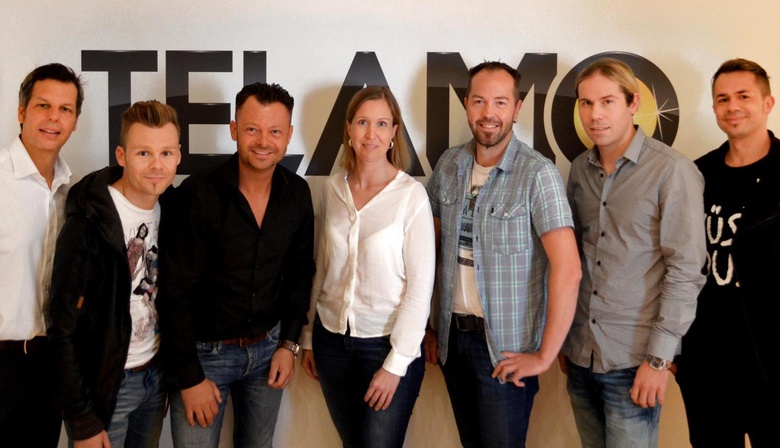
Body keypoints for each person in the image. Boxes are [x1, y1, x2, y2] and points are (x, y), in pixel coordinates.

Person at [426, 61, 581, 447]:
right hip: (452, 341)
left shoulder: (537, 174)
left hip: (504, 351)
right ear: (466, 104)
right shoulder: (448, 165)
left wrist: (545, 356)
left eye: (500, 102)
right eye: (479, 101)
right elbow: (428, 251)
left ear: (517, 108)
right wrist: (430, 326)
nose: (488, 113)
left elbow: (568, 268)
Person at [157, 82, 315, 448]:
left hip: (269, 350)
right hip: (203, 356)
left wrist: (289, 344)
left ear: (289, 135)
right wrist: (189, 376)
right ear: (234, 130)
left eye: (275, 131)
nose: (264, 142)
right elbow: (175, 292)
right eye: (252, 129)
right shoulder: (198, 193)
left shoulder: (297, 193)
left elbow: (300, 273)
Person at [561, 57, 706, 448]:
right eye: (586, 103)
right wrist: (566, 339)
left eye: (607, 101)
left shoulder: (671, 170)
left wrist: (659, 360)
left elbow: (685, 271)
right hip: (581, 354)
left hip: (634, 360)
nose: (595, 114)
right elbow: (573, 260)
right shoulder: (579, 170)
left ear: (633, 103)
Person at [299, 86, 435, 448]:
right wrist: (309, 336)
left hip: (385, 346)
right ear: (349, 128)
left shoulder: (411, 197)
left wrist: (395, 365)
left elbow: (420, 287)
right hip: (331, 342)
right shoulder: (332, 190)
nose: (371, 133)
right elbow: (321, 268)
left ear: (394, 132)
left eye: (381, 124)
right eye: (362, 122)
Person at [47, 100, 181, 448]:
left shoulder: (172, 210)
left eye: (166, 153)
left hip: (154, 377)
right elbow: (61, 328)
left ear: (178, 156)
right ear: (121, 155)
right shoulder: (88, 222)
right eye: (143, 153)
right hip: (106, 389)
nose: (156, 165)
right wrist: (82, 420)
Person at [676, 58, 780, 448]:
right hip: (708, 363)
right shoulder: (696, 175)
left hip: (771, 360)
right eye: (723, 98)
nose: (732, 106)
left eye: (743, 96)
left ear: (767, 103)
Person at [0, 62, 84, 447]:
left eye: (65, 109)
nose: (54, 118)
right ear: (22, 112)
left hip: (49, 363)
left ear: (75, 122)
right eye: (43, 106)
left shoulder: (73, 191)